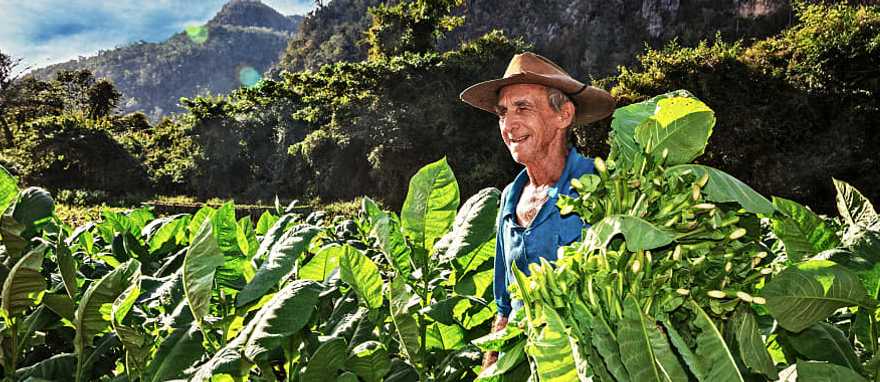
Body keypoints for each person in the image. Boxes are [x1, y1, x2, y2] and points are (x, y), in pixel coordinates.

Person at [459, 52, 615, 368]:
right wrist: (491, 370)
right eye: (503, 113)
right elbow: (505, 305)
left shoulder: (600, 186)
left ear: (564, 115)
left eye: (523, 108)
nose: (509, 125)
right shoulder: (509, 198)